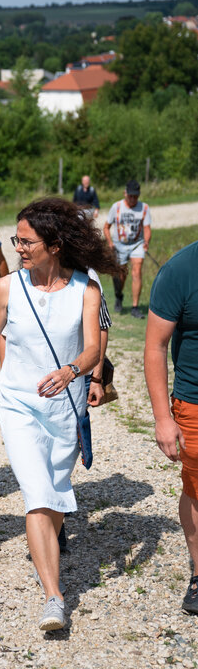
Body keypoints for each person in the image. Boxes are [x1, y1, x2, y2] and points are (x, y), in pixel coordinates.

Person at [0, 198, 117, 631]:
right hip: (18, 404)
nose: (18, 248)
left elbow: (94, 347)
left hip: (66, 406)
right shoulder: (6, 288)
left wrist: (75, 370)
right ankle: (53, 596)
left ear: (54, 245)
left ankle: (48, 550)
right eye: (17, 239)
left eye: (27, 241)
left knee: (54, 491)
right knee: (37, 495)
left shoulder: (86, 289)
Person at [145, 241, 198, 616]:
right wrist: (164, 418)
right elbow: (155, 347)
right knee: (196, 489)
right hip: (194, 402)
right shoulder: (180, 270)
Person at [104, 179, 151, 318]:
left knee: (136, 271)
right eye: (130, 196)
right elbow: (106, 227)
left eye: (135, 196)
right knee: (121, 275)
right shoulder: (116, 207)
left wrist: (146, 241)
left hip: (137, 244)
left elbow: (147, 228)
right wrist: (110, 242)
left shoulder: (144, 208)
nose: (133, 199)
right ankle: (119, 295)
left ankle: (135, 307)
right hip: (120, 245)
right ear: (125, 193)